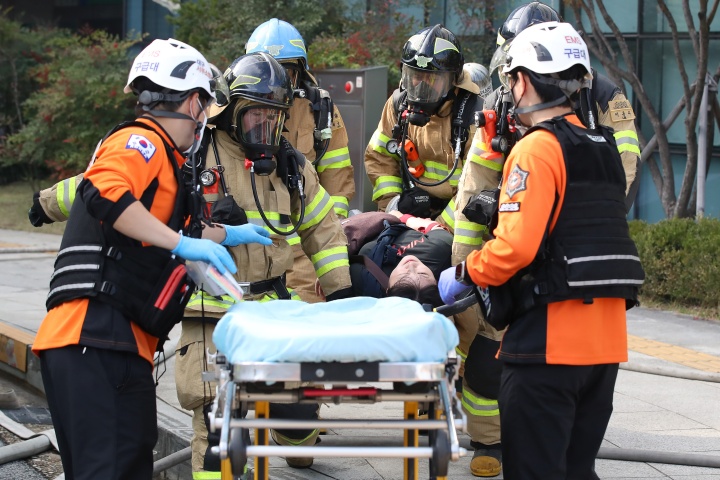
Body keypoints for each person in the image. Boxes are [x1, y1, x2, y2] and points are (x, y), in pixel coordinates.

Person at [30, 38, 273, 480]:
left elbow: (169, 230)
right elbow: (104, 191)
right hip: (96, 340)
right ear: (194, 101)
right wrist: (182, 246)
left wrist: (224, 233)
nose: (204, 120)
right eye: (205, 107)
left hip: (103, 344)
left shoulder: (164, 158)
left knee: (126, 463)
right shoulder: (142, 141)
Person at [438, 22, 644, 479]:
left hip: (547, 348)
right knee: (576, 470)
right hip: (605, 348)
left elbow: (515, 247)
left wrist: (466, 272)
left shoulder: (535, 150)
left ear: (524, 81)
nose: (507, 90)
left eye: (510, 79)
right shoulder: (604, 148)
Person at [174, 52, 353, 478]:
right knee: (220, 428)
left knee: (299, 419)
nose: (265, 128)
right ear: (232, 111)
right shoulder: (196, 152)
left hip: (274, 307)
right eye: (255, 116)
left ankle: (291, 431)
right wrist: (205, 224)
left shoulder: (289, 164)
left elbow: (323, 229)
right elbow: (145, 205)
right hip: (213, 312)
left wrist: (342, 293)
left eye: (274, 118)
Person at [245, 18, 355, 304]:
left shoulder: (320, 111)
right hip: (251, 244)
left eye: (287, 72)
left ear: (301, 74)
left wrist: (333, 245)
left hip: (306, 247)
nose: (277, 81)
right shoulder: (239, 113)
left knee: (308, 327)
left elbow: (338, 182)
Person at [364, 24, 481, 227]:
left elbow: (477, 185)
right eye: (416, 76)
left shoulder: (473, 115)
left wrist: (437, 227)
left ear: (453, 80)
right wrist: (394, 204)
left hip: (456, 221)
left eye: (432, 79)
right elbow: (379, 157)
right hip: (408, 214)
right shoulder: (398, 105)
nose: (421, 86)